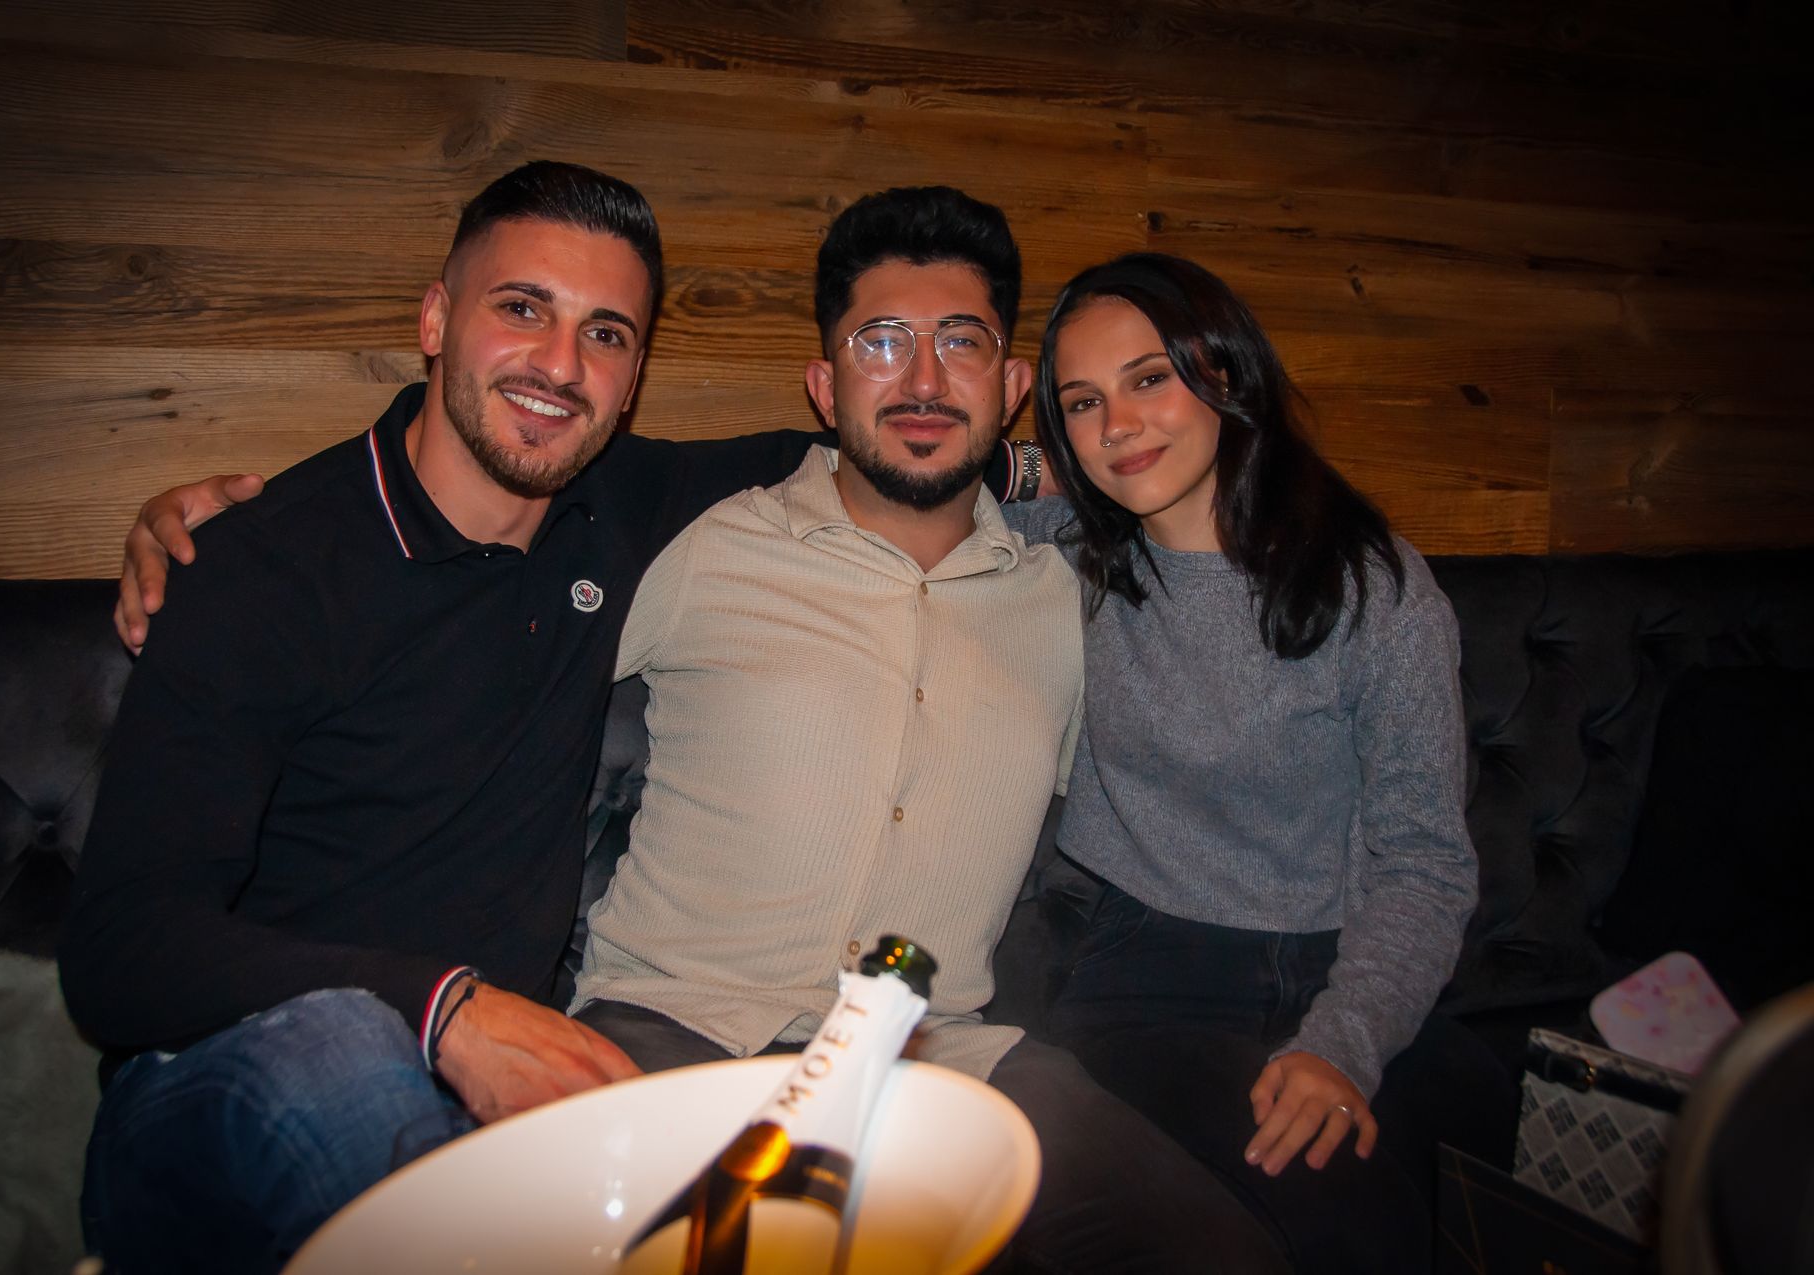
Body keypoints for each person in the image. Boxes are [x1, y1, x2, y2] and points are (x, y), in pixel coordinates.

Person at [105, 190, 1289, 1274]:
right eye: (522, 308)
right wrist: (444, 1006)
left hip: (919, 1051)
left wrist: (1121, 453)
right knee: (354, 1074)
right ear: (434, 318)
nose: (559, 363)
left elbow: (955, 447)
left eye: (605, 334)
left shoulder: (1036, 595)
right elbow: (121, 952)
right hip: (519, 1044)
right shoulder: (288, 561)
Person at [568, 187, 1287, 1272]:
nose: (920, 380)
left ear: (1010, 388)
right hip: (678, 1032)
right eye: (880, 342)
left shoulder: (1067, 603)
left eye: (960, 343)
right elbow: (502, 649)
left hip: (944, 1059)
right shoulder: (709, 546)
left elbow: (1209, 768)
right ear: (824, 387)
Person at [1004, 251, 1504, 1273]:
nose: (1120, 425)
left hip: (1339, 956)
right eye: (1084, 403)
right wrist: (1037, 465)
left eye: (1150, 379)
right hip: (1148, 971)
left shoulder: (1373, 587)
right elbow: (918, 463)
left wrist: (1342, 1040)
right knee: (1347, 1221)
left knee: (1474, 1149)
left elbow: (1423, 859)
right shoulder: (1072, 551)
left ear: (1224, 372)